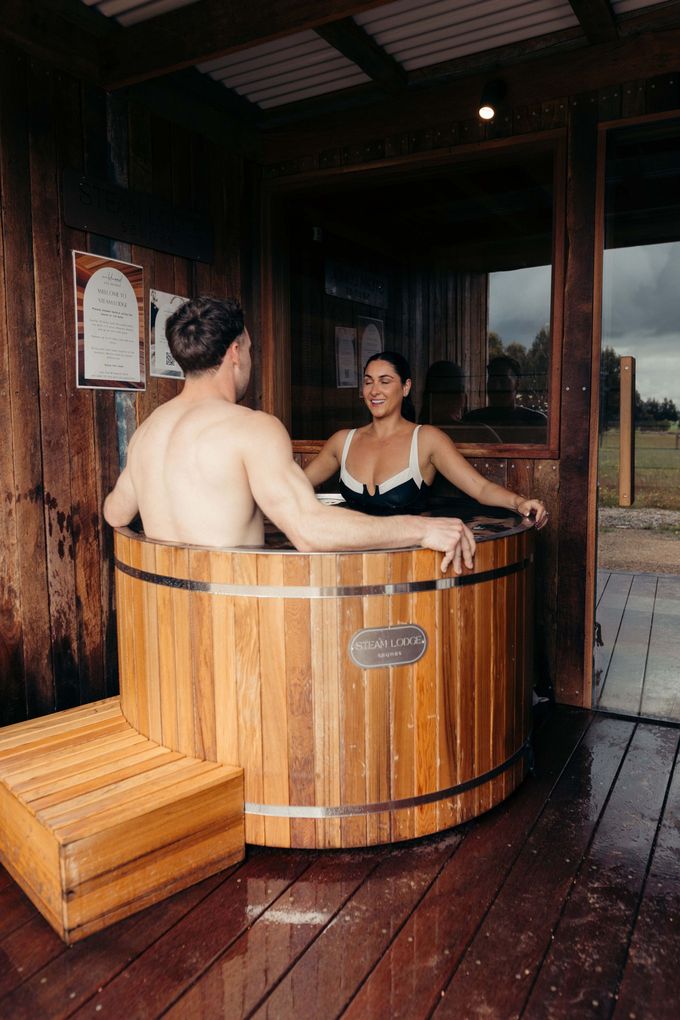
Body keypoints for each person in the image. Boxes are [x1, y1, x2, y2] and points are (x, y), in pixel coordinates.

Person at [103, 297, 476, 574]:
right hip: (233, 621)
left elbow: (115, 512)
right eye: (249, 349)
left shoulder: (148, 429)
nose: (249, 358)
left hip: (163, 626)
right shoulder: (251, 428)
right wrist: (422, 529)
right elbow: (310, 530)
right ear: (235, 352)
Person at [303, 350, 549, 525]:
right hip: (351, 556)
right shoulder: (342, 442)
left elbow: (480, 487)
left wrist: (519, 503)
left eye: (384, 381)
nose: (374, 391)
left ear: (406, 387)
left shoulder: (426, 440)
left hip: (406, 562)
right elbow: (295, 485)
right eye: (368, 382)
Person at [463, 355, 547, 429]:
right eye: (492, 381)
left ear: (517, 384)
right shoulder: (471, 421)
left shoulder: (536, 422)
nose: (496, 387)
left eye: (503, 381)